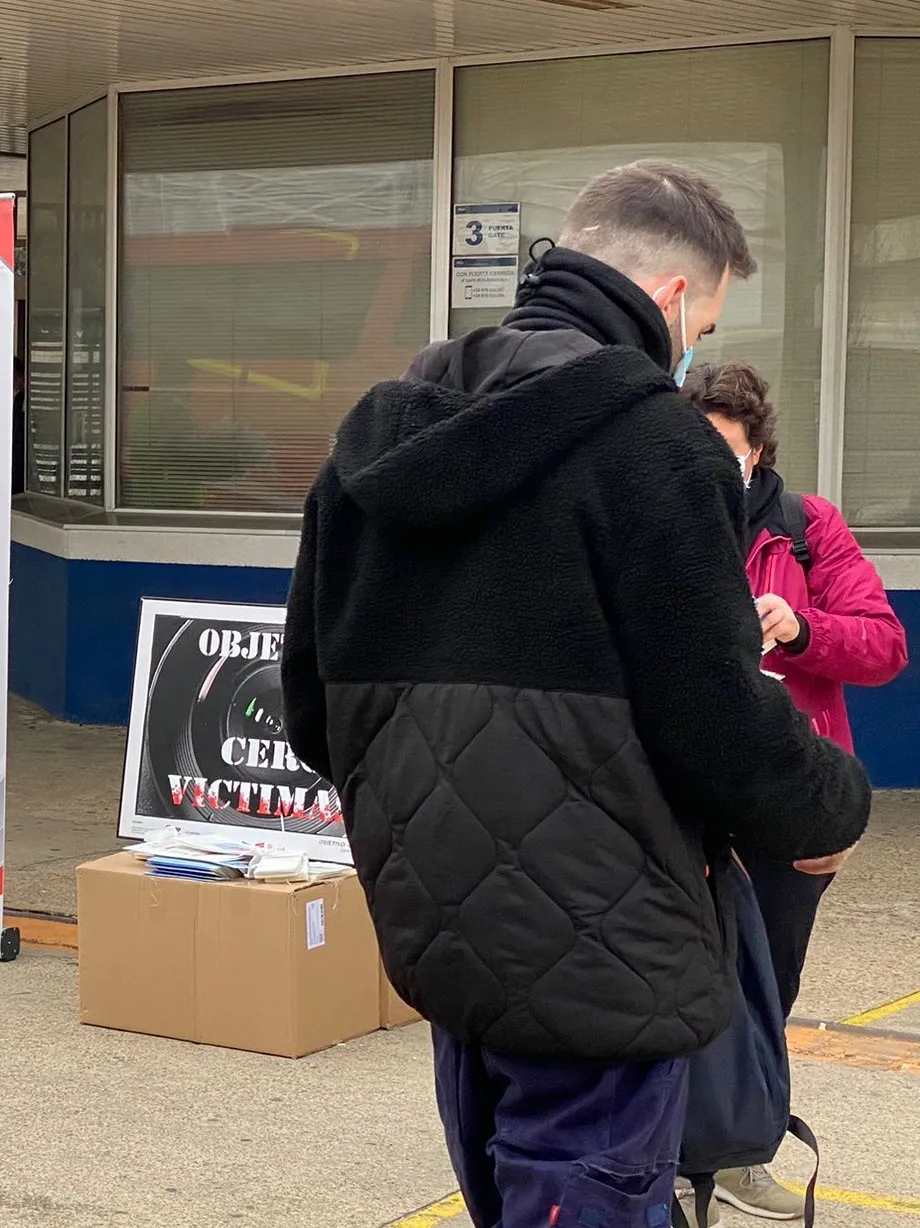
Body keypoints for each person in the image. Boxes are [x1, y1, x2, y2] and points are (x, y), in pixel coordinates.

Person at [281, 160, 872, 1228]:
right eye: (702, 325)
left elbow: (308, 706)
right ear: (670, 303)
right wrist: (829, 801)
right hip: (603, 958)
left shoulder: (376, 437)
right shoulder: (652, 446)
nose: (692, 351)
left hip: (437, 930)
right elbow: (715, 720)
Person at [681, 361, 909, 1220]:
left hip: (786, 799)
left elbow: (883, 646)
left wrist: (803, 625)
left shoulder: (806, 528)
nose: (707, 468)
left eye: (725, 452)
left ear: (759, 452)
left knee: (769, 984)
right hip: (684, 799)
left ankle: (742, 1152)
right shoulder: (655, 521)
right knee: (676, 980)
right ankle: (667, 1148)